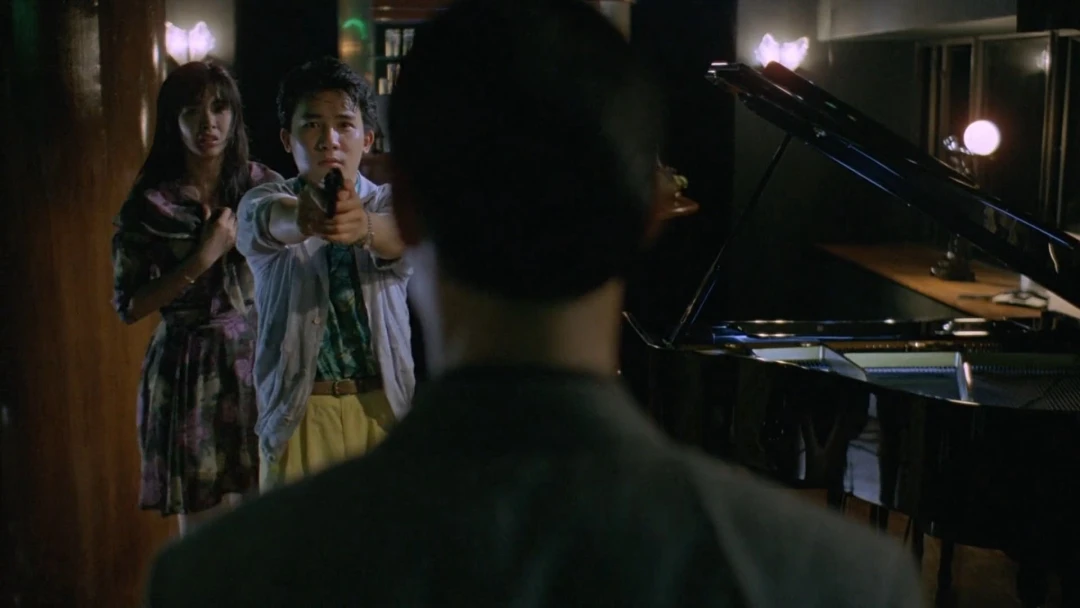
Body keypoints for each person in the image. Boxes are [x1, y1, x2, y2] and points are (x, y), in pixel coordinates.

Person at [144, 1, 923, 605]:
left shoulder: (222, 577)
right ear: (652, 213)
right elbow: (275, 221)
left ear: (405, 209)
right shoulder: (837, 579)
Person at [111, 61, 282, 535]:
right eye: (192, 111)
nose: (208, 123)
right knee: (202, 519)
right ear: (174, 120)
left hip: (253, 356)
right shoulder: (151, 204)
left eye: (219, 108)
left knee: (262, 507)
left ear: (235, 115)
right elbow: (129, 305)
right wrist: (201, 258)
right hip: (187, 363)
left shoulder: (261, 187)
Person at [233, 57, 414, 492]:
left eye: (344, 125)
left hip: (383, 410)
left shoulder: (389, 203)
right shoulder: (265, 199)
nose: (329, 140)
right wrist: (304, 220)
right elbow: (267, 221)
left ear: (367, 138)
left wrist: (363, 227)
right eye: (312, 125)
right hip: (301, 415)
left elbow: (406, 236)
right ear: (287, 139)